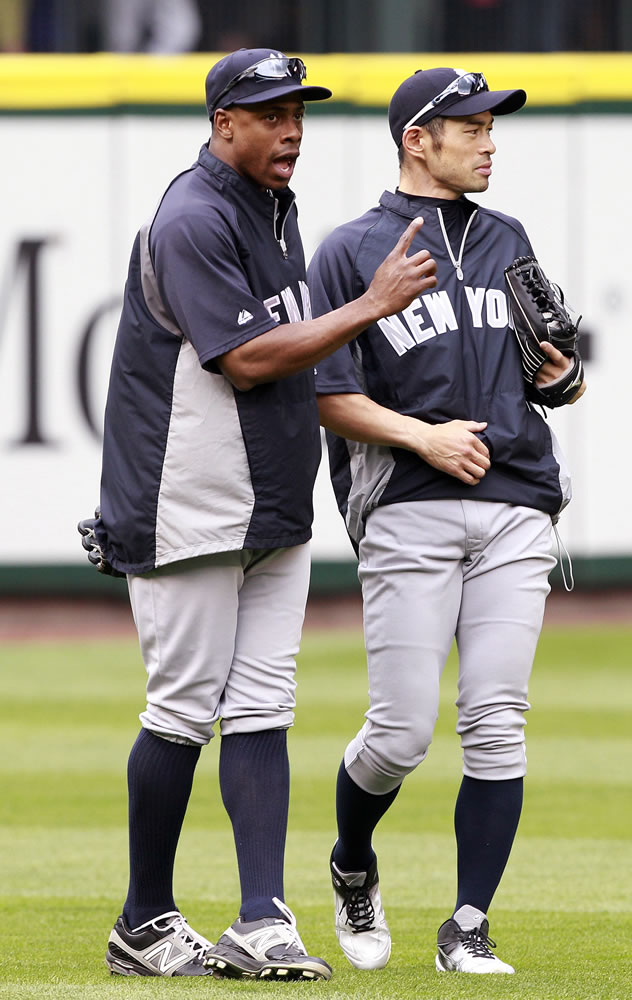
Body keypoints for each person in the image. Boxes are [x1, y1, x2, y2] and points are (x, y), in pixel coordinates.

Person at [84, 47, 436, 982]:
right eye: (269, 112)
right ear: (222, 122)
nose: (290, 128)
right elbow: (243, 359)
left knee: (263, 710)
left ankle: (262, 919)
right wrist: (370, 305)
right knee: (180, 713)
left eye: (298, 111)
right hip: (186, 499)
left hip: (270, 502)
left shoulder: (271, 208)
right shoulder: (193, 215)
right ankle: (144, 921)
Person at [307, 66, 586, 975]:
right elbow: (326, 393)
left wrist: (562, 382)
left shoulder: (507, 237)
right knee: (398, 735)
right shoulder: (351, 250)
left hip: (514, 504)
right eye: (469, 126)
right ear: (415, 140)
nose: (489, 139)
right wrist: (423, 440)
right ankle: (354, 862)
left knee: (496, 720)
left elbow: (551, 372)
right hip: (408, 507)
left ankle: (466, 923)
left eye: (490, 125)